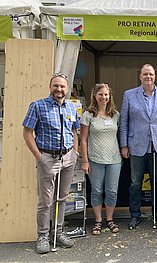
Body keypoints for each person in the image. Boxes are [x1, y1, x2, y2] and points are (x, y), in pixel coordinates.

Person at [22, 73, 79, 254]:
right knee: (45, 202)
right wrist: (39, 157)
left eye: (62, 86)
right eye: (56, 86)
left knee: (62, 198)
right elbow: (27, 133)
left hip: (68, 158)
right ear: (50, 87)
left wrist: (75, 153)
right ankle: (43, 236)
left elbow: (75, 131)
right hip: (47, 158)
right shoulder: (38, 106)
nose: (59, 89)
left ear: (67, 88)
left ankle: (58, 233)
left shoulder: (71, 107)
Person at [119, 64, 157, 229]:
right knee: (136, 182)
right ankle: (135, 214)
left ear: (155, 76)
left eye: (151, 74)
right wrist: (124, 145)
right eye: (145, 74)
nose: (148, 77)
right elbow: (124, 122)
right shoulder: (129, 95)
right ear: (140, 76)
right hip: (136, 145)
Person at [80, 83, 122, 235]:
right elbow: (83, 140)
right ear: (95, 96)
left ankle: (109, 219)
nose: (104, 97)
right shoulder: (88, 115)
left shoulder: (115, 115)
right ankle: (98, 220)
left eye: (106, 94)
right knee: (97, 190)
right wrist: (85, 161)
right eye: (100, 94)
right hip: (95, 159)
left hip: (114, 159)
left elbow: (119, 136)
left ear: (109, 96)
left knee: (112, 191)